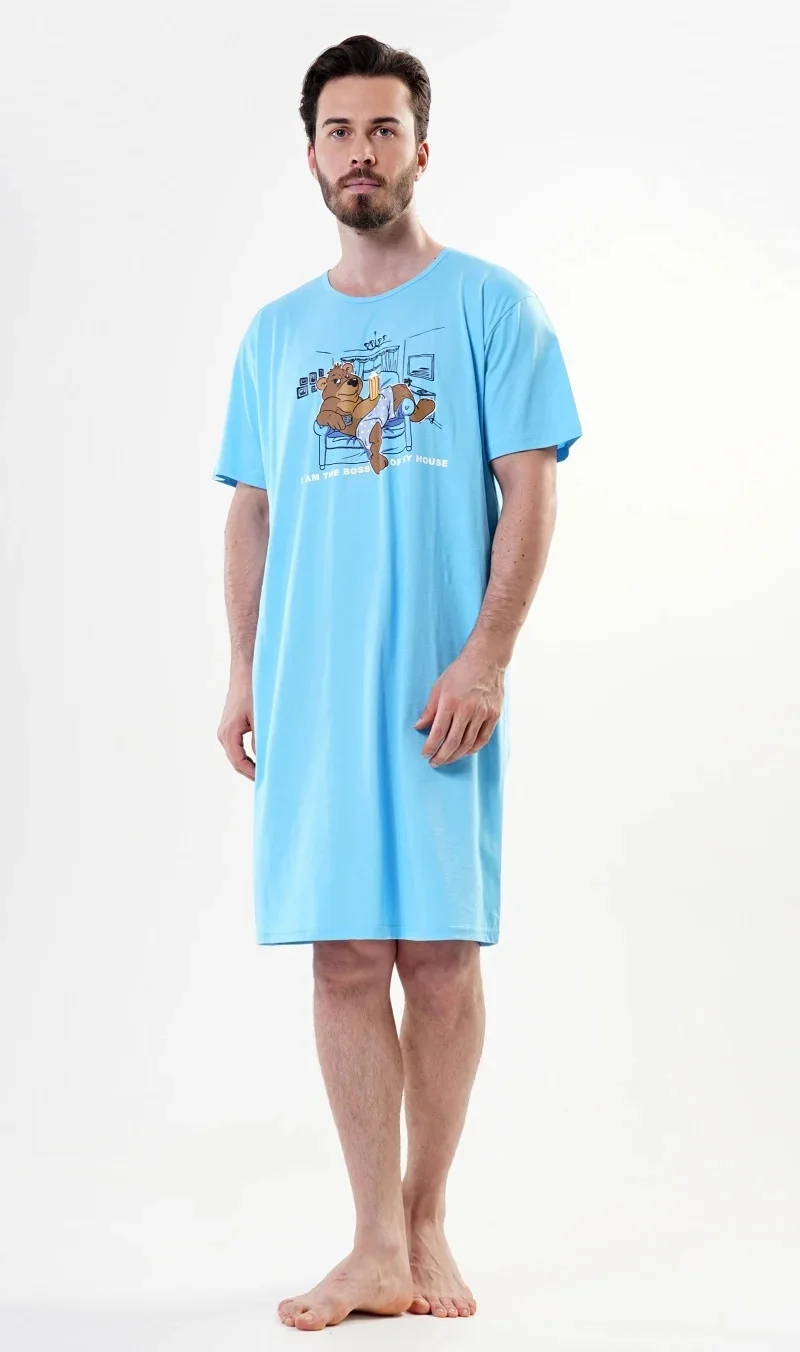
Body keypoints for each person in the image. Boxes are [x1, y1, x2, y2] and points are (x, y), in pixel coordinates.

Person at [212, 33, 582, 1333]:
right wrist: (241, 674)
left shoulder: (492, 307)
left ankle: (427, 1217)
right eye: (338, 131)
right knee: (342, 959)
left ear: (422, 148)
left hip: (439, 693)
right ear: (311, 153)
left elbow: (530, 490)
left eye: (382, 129)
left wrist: (488, 655)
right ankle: (373, 1243)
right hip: (312, 694)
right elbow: (252, 511)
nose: (359, 152)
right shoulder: (276, 335)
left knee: (439, 958)